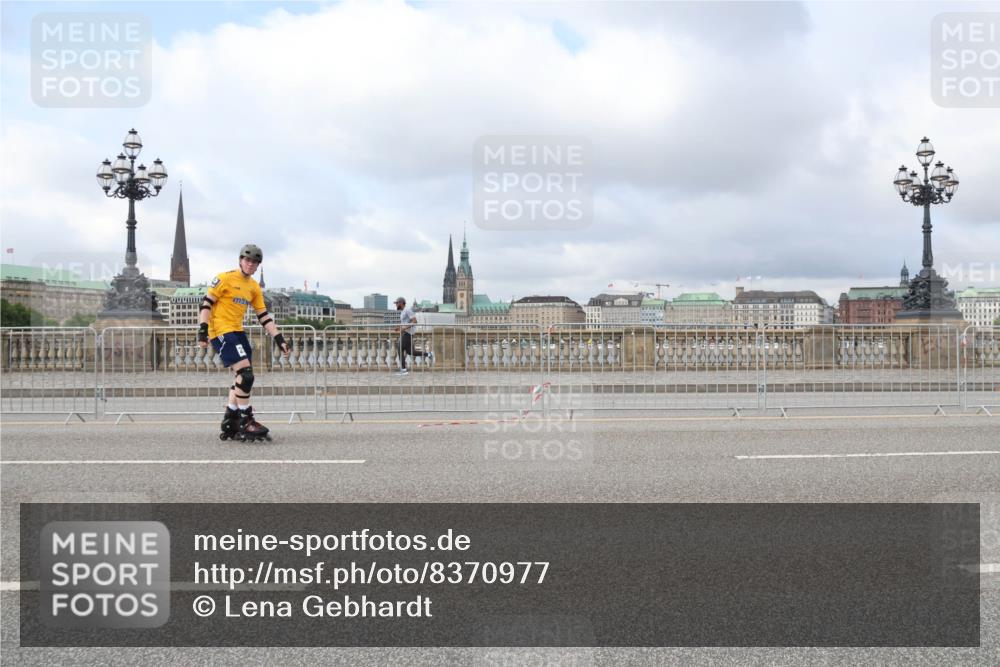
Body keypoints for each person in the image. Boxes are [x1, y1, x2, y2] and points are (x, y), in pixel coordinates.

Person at [197, 243, 290, 441]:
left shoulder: (253, 287)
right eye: (247, 260)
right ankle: (246, 419)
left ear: (257, 266)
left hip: (237, 331)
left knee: (241, 378)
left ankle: (230, 419)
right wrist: (203, 331)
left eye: (254, 262)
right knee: (246, 376)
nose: (250, 264)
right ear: (240, 260)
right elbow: (206, 304)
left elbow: (264, 316)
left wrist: (280, 339)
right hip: (220, 330)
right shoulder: (224, 278)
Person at [394, 297, 432, 374]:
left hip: (408, 333)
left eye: (397, 303)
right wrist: (399, 327)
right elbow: (406, 323)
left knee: (399, 348)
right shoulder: (403, 312)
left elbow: (415, 321)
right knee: (411, 352)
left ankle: (403, 370)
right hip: (406, 333)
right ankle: (428, 354)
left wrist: (404, 329)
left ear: (401, 303)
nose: (396, 305)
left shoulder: (407, 310)